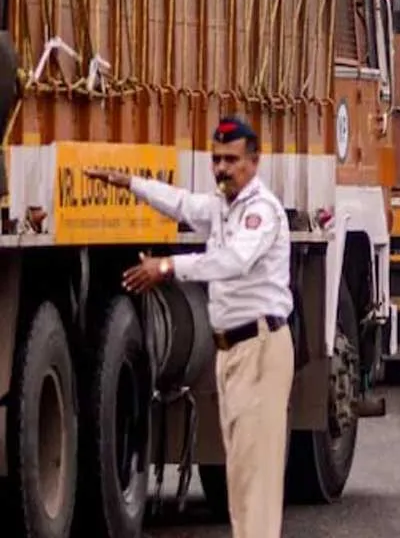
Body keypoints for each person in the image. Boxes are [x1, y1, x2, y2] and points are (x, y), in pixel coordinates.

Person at [85, 117, 295, 535]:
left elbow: (234, 261)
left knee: (256, 481)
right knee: (240, 479)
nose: (221, 168)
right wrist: (129, 184)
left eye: (232, 160)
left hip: (260, 349)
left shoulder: (260, 211)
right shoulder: (223, 207)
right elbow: (180, 203)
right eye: (216, 159)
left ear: (254, 161)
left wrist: (167, 266)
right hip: (233, 352)